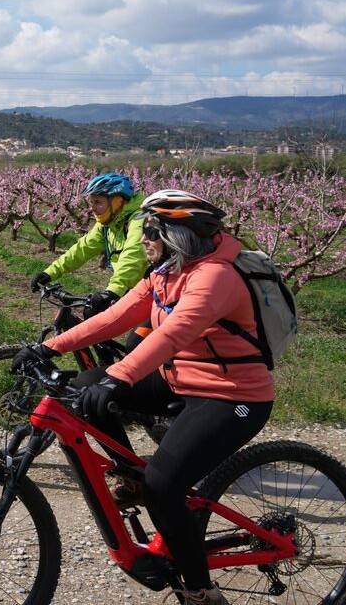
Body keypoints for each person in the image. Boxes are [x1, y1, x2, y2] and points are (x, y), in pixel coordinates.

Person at [15, 189, 273, 605]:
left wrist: (119, 377)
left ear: (179, 235)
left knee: (164, 485)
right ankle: (129, 473)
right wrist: (50, 348)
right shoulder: (166, 273)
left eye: (152, 230)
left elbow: (174, 334)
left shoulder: (215, 278)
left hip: (232, 396)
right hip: (180, 380)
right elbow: (114, 317)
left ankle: (200, 589)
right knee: (82, 388)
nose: (143, 238)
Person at [29, 172, 151, 348]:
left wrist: (113, 291)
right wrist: (50, 272)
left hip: (156, 294)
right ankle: (105, 363)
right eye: (91, 202)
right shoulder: (107, 224)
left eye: (98, 202)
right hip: (132, 288)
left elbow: (134, 255)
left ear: (117, 201)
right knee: (92, 315)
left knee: (135, 345)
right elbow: (82, 250)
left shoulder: (139, 220)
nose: (92, 208)